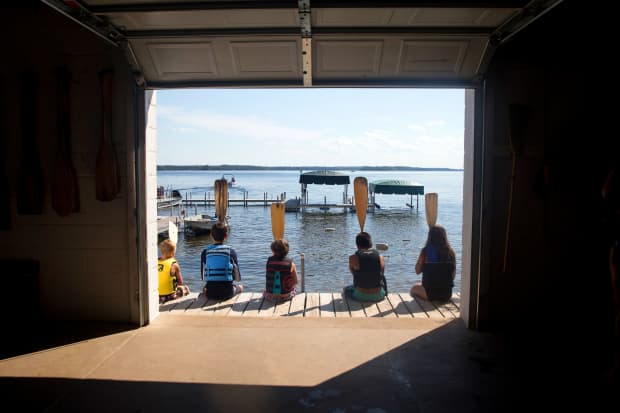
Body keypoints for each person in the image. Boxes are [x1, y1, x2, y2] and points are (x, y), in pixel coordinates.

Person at [410, 225, 456, 302]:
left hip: (430, 294)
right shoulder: (451, 252)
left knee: (413, 289)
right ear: (444, 236)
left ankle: (423, 304)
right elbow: (453, 276)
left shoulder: (425, 251)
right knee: (420, 285)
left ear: (430, 236)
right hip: (447, 294)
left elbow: (417, 271)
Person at [201, 222, 244, 300]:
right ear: (226, 236)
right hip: (227, 293)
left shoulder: (205, 252)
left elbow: (203, 277)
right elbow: (238, 279)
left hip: (210, 294)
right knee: (241, 287)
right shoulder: (231, 251)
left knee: (206, 287)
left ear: (211, 236)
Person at [344, 232, 386, 302]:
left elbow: (353, 273)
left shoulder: (353, 258)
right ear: (371, 244)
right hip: (379, 295)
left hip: (361, 296)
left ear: (357, 245)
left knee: (346, 289)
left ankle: (349, 305)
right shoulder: (380, 257)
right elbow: (381, 273)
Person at [158, 239, 190, 304]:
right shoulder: (174, 264)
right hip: (169, 296)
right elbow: (180, 281)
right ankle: (185, 291)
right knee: (185, 288)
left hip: (157, 296)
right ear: (173, 253)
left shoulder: (155, 262)